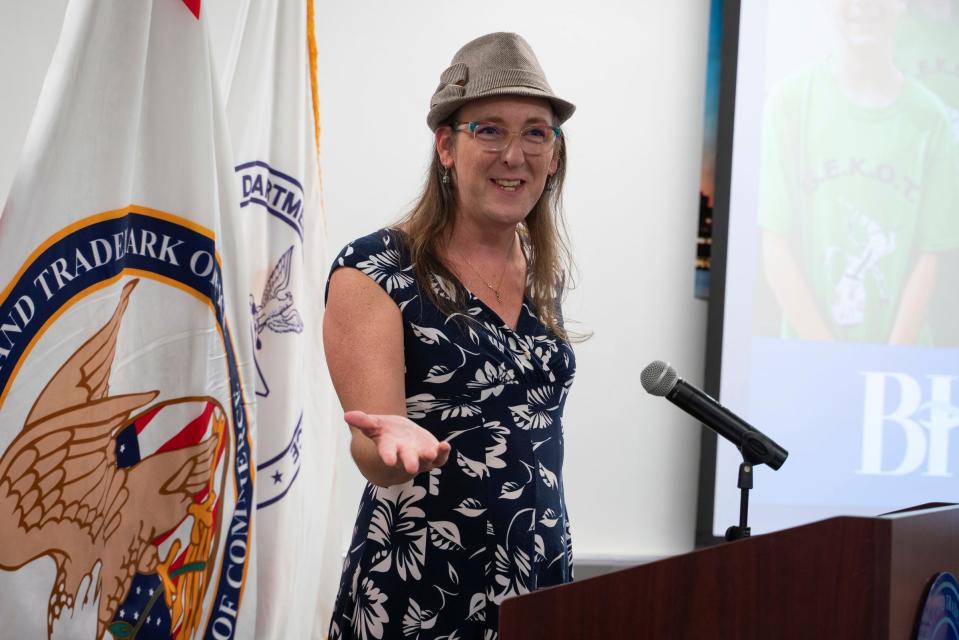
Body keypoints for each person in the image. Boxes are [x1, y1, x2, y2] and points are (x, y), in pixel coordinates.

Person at [323, 33, 577, 640]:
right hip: (419, 594)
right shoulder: (374, 270)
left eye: (536, 132)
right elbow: (371, 451)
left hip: (538, 586)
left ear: (555, 153)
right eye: (489, 129)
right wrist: (391, 443)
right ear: (445, 145)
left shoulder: (542, 273)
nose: (514, 154)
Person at [758, 0, 959, 345]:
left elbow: (931, 254)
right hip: (808, 365)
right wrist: (832, 357)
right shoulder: (787, 103)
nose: (862, 5)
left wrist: (886, 362)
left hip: (901, 375)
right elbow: (775, 243)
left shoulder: (933, 121)